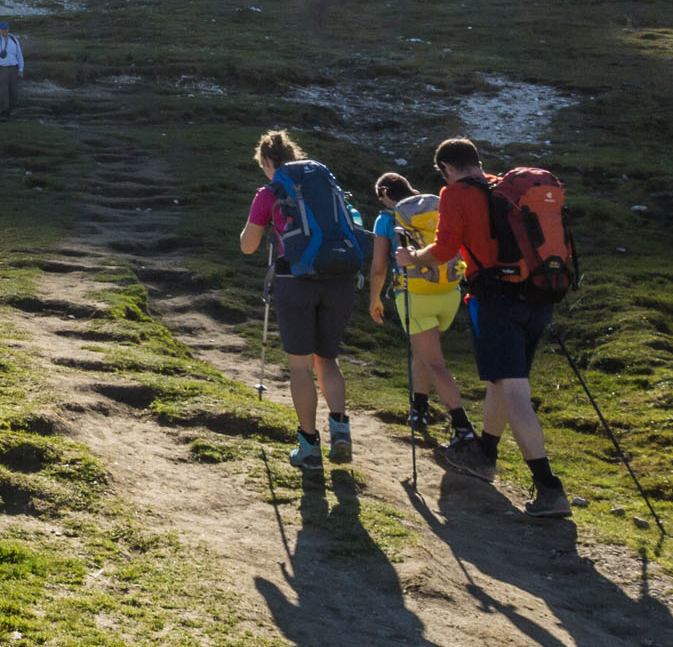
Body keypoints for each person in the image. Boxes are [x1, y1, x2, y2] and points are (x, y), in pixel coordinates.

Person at [426, 137, 571, 517]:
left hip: (495, 302)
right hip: (537, 298)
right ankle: (485, 453)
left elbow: (444, 250)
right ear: (477, 160)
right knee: (502, 382)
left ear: (446, 168)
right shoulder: (502, 188)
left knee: (515, 391)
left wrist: (412, 256)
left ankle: (548, 487)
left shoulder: (454, 193)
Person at [238, 129, 357, 469]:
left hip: (295, 282)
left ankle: (309, 447)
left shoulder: (269, 192)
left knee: (301, 366)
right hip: (339, 279)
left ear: (266, 162)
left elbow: (248, 246)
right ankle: (340, 430)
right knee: (328, 360)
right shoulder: (325, 186)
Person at [367, 171, 477, 453]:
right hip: (449, 293)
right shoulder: (435, 210)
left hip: (416, 295)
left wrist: (374, 298)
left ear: (385, 194)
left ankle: (463, 426)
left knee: (434, 362)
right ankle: (419, 409)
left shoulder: (388, 218)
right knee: (425, 353)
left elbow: (379, 266)